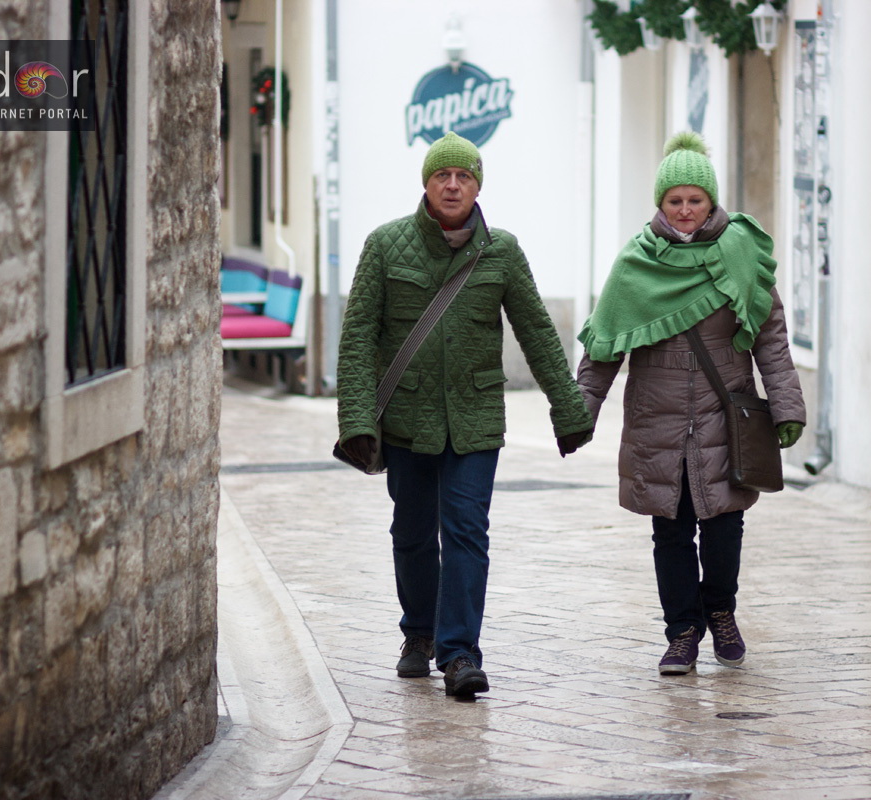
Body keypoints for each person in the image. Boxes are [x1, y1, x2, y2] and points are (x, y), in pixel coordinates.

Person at [337, 131, 594, 698]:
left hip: (476, 419)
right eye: (441, 176)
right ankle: (418, 634)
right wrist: (357, 420)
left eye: (464, 176)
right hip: (405, 419)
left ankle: (459, 654)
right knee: (411, 533)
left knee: (466, 532)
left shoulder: (501, 250)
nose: (453, 185)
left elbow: (537, 332)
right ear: (426, 184)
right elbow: (357, 336)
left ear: (477, 185)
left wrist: (567, 406)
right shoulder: (385, 245)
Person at [576, 132, 806, 676]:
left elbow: (770, 335)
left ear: (711, 201)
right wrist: (579, 412)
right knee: (670, 530)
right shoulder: (635, 263)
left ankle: (721, 612)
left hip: (726, 415)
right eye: (674, 201)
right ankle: (681, 633)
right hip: (657, 421)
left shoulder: (741, 252)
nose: (684, 211)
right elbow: (605, 344)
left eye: (694, 200)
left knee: (725, 526)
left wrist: (787, 405)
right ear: (660, 203)